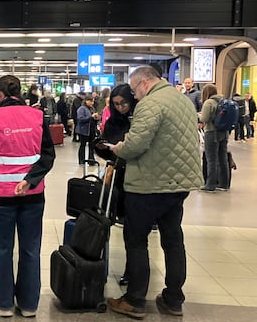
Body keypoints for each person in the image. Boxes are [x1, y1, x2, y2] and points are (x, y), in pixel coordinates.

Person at [109, 66, 202, 319]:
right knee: (173, 241)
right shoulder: (182, 100)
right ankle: (173, 299)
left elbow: (136, 145)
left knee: (137, 241)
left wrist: (120, 148)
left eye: (134, 89)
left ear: (144, 82)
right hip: (178, 185)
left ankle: (135, 300)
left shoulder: (150, 104)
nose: (134, 95)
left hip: (149, 185)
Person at [0, 75, 55, 317]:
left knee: (2, 249)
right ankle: (29, 305)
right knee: (31, 249)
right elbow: (47, 156)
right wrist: (29, 180)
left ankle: (4, 304)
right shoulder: (37, 117)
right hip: (33, 194)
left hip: (0, 196)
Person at [95, 84, 138, 286]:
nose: (120, 108)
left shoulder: (141, 119)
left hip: (138, 177)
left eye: (123, 103)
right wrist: (102, 147)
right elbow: (109, 152)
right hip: (118, 177)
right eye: (116, 104)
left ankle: (133, 271)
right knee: (109, 222)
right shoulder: (113, 122)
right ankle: (98, 266)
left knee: (134, 229)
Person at [199, 84, 230, 191]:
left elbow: (204, 118)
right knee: (223, 158)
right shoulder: (223, 101)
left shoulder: (209, 102)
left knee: (211, 159)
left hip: (212, 132)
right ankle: (224, 183)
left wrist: (198, 115)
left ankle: (210, 184)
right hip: (224, 133)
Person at [75, 97, 99, 165]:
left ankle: (91, 160)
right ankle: (81, 160)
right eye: (91, 101)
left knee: (92, 145)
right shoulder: (81, 109)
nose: (92, 103)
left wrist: (96, 118)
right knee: (83, 145)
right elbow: (80, 119)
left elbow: (93, 119)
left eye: (93, 101)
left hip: (91, 130)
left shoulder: (92, 109)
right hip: (83, 130)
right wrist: (91, 117)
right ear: (86, 101)